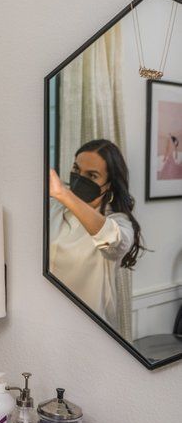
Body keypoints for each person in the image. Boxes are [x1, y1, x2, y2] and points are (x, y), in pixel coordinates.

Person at [49, 138, 143, 330]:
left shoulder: (119, 222)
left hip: (89, 331)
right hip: (46, 320)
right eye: (76, 170)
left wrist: (63, 194)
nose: (79, 178)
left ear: (109, 184)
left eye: (92, 176)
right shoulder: (53, 209)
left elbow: (113, 242)